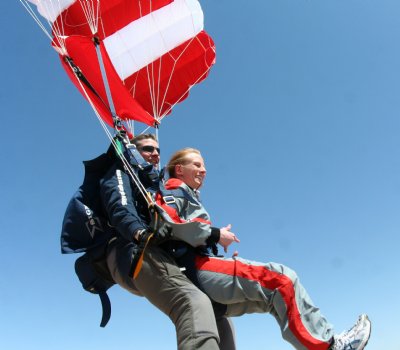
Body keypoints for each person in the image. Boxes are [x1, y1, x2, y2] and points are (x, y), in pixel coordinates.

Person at [154, 147, 371, 350]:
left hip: (199, 274)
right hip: (196, 270)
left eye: (204, 166)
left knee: (273, 300)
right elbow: (168, 222)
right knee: (281, 278)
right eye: (197, 164)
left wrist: (218, 251)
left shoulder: (188, 195)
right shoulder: (175, 190)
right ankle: (329, 345)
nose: (204, 170)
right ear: (180, 169)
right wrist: (217, 234)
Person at [100, 135, 236, 350]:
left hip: (159, 254)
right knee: (193, 303)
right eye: (147, 149)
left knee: (218, 312)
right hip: (129, 250)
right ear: (134, 152)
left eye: (157, 150)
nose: (155, 154)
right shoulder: (121, 173)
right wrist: (140, 233)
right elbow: (120, 208)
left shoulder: (158, 186)